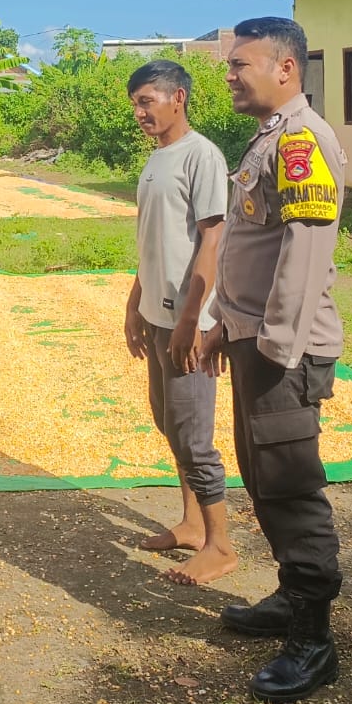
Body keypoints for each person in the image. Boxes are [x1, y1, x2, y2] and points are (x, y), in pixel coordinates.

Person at [200, 17, 345, 704]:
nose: (229, 75)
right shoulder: (268, 138)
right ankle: (291, 599)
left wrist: (275, 352)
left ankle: (313, 640)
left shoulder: (300, 141)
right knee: (262, 477)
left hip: (281, 349)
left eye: (240, 64)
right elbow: (248, 248)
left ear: (285, 69)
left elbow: (303, 256)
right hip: (252, 338)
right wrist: (219, 325)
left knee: (289, 486)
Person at [122, 58, 236, 587]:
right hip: (157, 315)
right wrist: (134, 304)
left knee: (194, 436)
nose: (140, 112)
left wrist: (192, 319)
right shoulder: (157, 158)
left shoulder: (201, 155)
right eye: (135, 104)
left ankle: (221, 546)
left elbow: (212, 240)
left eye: (147, 101)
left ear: (178, 98)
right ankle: (191, 525)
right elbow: (154, 242)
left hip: (188, 320)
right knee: (168, 421)